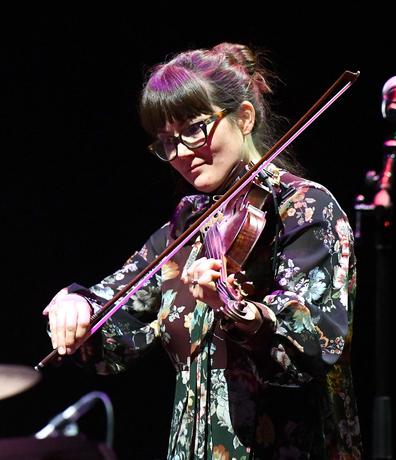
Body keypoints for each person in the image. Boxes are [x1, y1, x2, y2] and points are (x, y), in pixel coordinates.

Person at [43, 42, 362, 459]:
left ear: (243, 117)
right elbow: (117, 313)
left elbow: (318, 340)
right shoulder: (183, 229)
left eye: (194, 129)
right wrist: (77, 307)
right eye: (166, 141)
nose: (180, 154)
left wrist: (239, 310)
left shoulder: (304, 209)